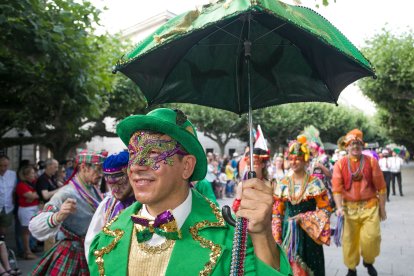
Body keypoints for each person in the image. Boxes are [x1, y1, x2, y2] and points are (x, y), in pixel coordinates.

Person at [88, 108, 291, 275]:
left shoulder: (233, 243)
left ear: (186, 166)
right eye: (133, 154)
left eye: (153, 153)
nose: (136, 166)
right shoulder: (107, 238)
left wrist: (262, 234)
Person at [29, 149, 106, 275]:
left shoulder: (92, 189)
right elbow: (36, 223)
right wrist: (58, 216)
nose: (101, 174)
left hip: (89, 250)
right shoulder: (66, 193)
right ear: (83, 167)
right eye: (97, 170)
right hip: (72, 253)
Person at [272, 135, 332, 276]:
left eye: (298, 158)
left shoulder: (315, 183)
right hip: (288, 234)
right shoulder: (283, 184)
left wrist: (304, 218)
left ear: (306, 160)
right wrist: (277, 238)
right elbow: (277, 214)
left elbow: (326, 210)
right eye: (291, 159)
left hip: (309, 236)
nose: (294, 162)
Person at [332, 129, 387, 276]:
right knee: (350, 241)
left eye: (357, 143)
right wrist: (338, 208)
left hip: (370, 207)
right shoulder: (340, 164)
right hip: (348, 209)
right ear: (346, 147)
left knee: (372, 237)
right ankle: (351, 268)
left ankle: (368, 261)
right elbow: (336, 189)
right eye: (351, 144)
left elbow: (381, 187)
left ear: (362, 145)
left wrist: (382, 208)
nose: (355, 146)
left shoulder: (371, 162)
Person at [84, 151, 135, 260]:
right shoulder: (108, 205)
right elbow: (91, 241)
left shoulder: (147, 203)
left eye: (120, 183)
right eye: (110, 184)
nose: (115, 189)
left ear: (131, 175)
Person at [16, 165, 39, 260]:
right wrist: (35, 195)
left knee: (30, 231)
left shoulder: (32, 183)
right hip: (26, 210)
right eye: (32, 173)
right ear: (26, 175)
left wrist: (34, 195)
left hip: (33, 208)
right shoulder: (21, 185)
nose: (34, 175)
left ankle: (29, 249)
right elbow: (33, 196)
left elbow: (36, 194)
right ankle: (27, 252)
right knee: (26, 232)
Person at [0, 155, 17, 240]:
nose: (3, 168)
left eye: (5, 166)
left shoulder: (13, 174)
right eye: (0, 165)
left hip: (8, 207)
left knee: (3, 230)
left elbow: (14, 190)